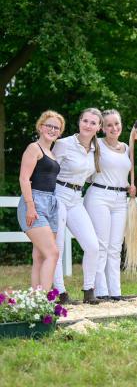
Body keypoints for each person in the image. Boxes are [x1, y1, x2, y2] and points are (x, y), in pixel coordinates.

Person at [83, 109, 136, 301]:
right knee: (101, 245)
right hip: (99, 196)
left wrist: (131, 186)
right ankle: (99, 291)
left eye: (117, 123)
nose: (114, 128)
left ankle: (115, 292)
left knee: (115, 247)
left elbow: (125, 173)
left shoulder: (127, 148)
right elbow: (84, 168)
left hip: (120, 200)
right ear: (102, 128)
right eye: (109, 125)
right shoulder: (96, 145)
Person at [53, 108, 102, 304]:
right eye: (85, 121)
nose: (88, 125)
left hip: (76, 198)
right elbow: (48, 170)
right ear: (79, 122)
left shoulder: (95, 150)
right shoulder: (63, 145)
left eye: (93, 123)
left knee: (93, 246)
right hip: (57, 194)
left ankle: (89, 290)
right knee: (57, 247)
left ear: (98, 127)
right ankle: (60, 292)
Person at [17, 110, 64, 290]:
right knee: (53, 253)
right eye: (49, 125)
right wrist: (30, 206)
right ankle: (46, 301)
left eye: (56, 128)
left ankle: (36, 300)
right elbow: (23, 178)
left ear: (59, 132)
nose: (52, 130)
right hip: (34, 202)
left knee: (40, 256)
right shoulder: (33, 148)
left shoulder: (51, 153)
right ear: (40, 126)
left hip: (51, 204)